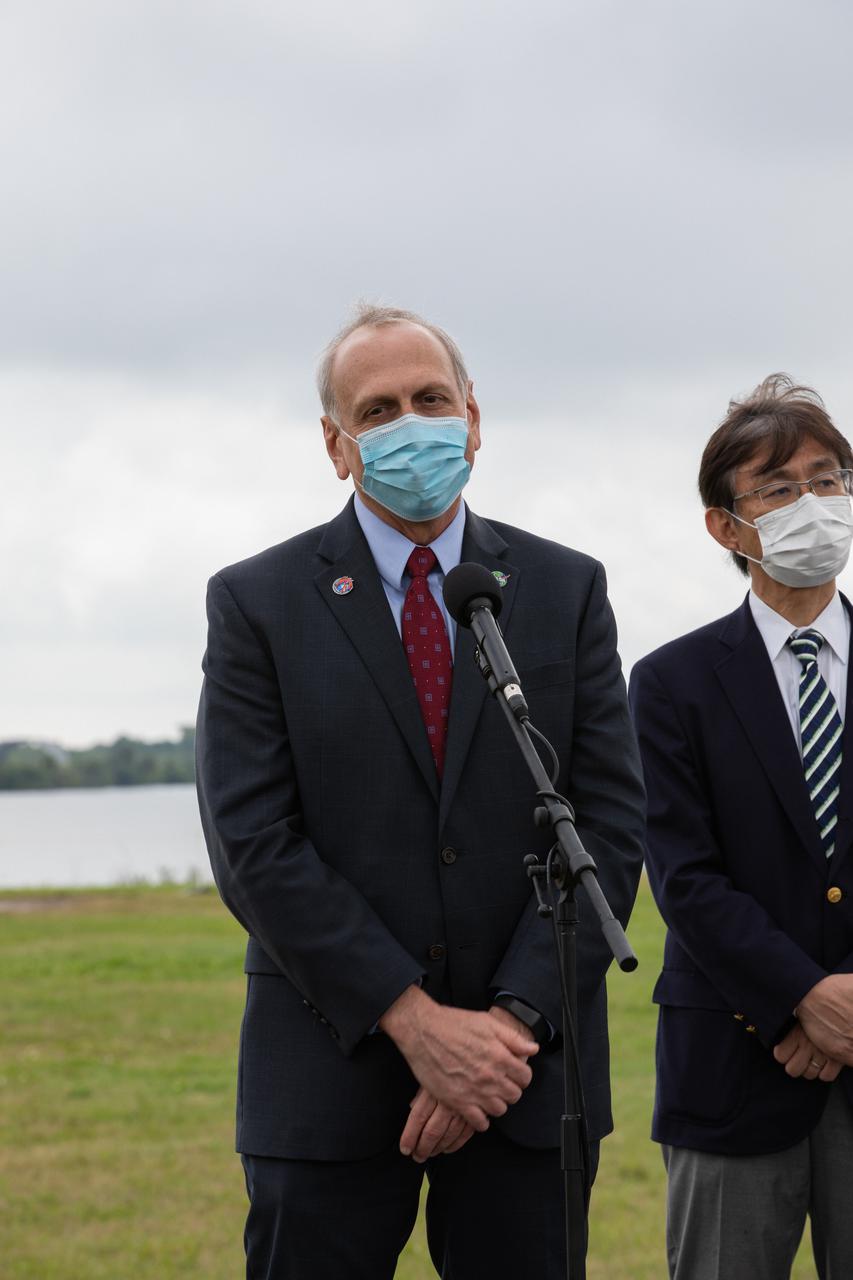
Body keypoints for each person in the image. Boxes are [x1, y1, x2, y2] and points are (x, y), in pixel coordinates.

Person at [196, 304, 644, 1279]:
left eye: (431, 398)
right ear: (336, 444)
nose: (412, 423)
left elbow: (605, 818)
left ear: (474, 418)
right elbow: (252, 843)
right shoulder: (257, 603)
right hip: (328, 1071)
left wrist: (506, 1029)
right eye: (380, 408)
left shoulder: (565, 590)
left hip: (526, 1079)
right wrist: (414, 1019)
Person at [629, 374, 853, 1280]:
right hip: (732, 1061)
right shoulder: (670, 682)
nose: (815, 502)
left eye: (829, 478)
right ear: (728, 526)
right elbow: (684, 877)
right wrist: (802, 998)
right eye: (780, 488)